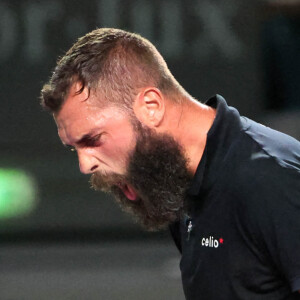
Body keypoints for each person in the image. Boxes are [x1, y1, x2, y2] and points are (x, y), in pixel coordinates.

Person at [40, 28, 300, 299]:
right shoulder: (181, 181)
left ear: (151, 106)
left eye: (92, 139)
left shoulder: (271, 181)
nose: (85, 165)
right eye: (74, 148)